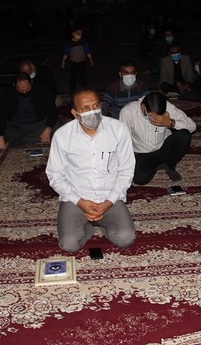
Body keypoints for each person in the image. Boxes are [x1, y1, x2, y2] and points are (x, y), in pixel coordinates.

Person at [45, 88, 136, 252]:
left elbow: (126, 170)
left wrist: (109, 201)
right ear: (75, 113)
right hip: (76, 197)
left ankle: (101, 222)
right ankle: (89, 226)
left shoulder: (118, 129)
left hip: (110, 196)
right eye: (85, 108)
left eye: (95, 106)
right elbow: (55, 175)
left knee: (126, 238)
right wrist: (80, 202)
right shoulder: (62, 135)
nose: (92, 112)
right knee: (70, 244)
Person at [119, 91, 196, 184]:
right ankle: (157, 164)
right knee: (140, 179)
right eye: (152, 116)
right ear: (143, 107)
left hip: (164, 147)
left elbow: (192, 126)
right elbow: (123, 142)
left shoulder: (168, 107)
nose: (155, 119)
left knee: (184, 135)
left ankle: (170, 166)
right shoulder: (128, 112)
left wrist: (170, 123)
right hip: (143, 152)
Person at [0, 72, 59, 150]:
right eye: (21, 90)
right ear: (14, 85)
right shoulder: (7, 93)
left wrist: (48, 128)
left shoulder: (41, 89)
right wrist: (0, 137)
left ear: (31, 83)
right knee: (2, 128)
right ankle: (29, 139)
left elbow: (52, 110)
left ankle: (22, 140)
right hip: (16, 127)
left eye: (27, 89)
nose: (25, 92)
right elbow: (1, 114)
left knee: (57, 125)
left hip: (38, 124)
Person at [61, 25, 94, 95]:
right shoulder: (69, 43)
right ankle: (73, 89)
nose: (80, 35)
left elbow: (87, 51)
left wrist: (91, 60)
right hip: (73, 62)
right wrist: (63, 61)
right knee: (73, 76)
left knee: (83, 75)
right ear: (73, 34)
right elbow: (66, 53)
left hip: (82, 61)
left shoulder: (83, 41)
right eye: (78, 34)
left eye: (81, 34)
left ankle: (84, 87)